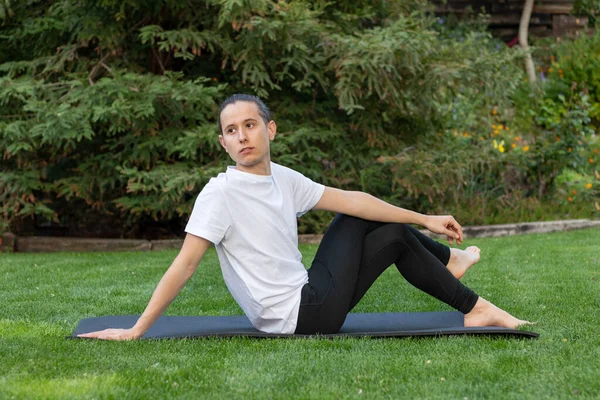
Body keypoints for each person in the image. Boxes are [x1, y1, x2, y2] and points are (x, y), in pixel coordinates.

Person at [78, 94, 529, 340]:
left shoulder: (282, 178)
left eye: (250, 125)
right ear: (224, 144)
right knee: (364, 225)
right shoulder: (220, 195)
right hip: (298, 315)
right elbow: (186, 264)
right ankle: (474, 303)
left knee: (380, 224)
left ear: (269, 129)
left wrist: (425, 217)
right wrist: (139, 329)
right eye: (231, 131)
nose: (242, 137)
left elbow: (356, 199)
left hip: (311, 299)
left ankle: (456, 275)